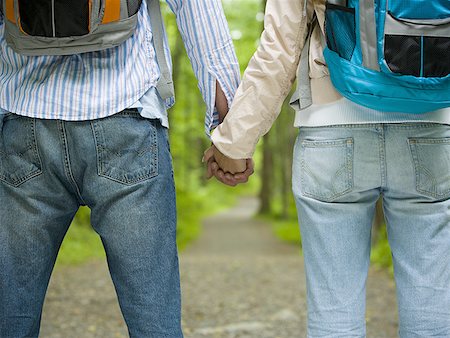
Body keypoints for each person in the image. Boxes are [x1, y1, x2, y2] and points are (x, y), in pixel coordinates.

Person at [205, 0, 450, 336]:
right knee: (432, 302)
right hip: (434, 130)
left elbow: (279, 46)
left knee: (334, 307)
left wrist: (233, 143)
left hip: (331, 129)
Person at [0, 1, 241, 337]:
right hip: (126, 119)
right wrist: (232, 134)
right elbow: (196, 9)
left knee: (10, 315)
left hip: (24, 119)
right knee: (152, 320)